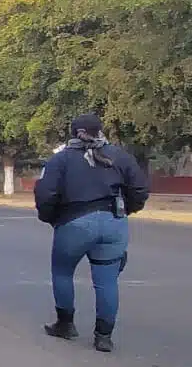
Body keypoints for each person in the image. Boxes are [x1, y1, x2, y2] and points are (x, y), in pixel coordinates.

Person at [33, 113, 149, 352]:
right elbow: (139, 189)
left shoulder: (61, 160)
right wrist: (126, 210)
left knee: (63, 272)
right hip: (113, 221)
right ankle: (103, 336)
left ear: (74, 132)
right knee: (107, 281)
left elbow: (45, 194)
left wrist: (51, 218)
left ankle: (65, 324)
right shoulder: (120, 156)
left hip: (73, 223)